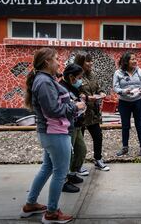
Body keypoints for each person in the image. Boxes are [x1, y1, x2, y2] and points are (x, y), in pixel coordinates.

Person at [20, 48, 85, 223]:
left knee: (47, 168)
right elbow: (54, 110)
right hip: (55, 133)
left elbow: (54, 105)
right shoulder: (44, 82)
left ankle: (30, 204)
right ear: (47, 62)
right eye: (56, 59)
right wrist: (75, 107)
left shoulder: (45, 80)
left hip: (51, 133)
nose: (59, 62)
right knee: (60, 173)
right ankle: (52, 213)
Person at [74, 52, 110, 172]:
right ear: (80, 62)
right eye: (88, 61)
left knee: (98, 136)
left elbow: (98, 88)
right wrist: (85, 97)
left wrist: (101, 93)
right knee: (79, 142)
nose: (91, 63)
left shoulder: (92, 75)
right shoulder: (76, 76)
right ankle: (77, 165)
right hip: (81, 114)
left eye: (91, 61)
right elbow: (74, 92)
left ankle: (98, 160)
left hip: (93, 113)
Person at [59, 63, 87, 193]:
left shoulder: (73, 86)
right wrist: (77, 105)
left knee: (81, 150)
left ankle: (72, 173)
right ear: (71, 77)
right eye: (79, 77)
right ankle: (63, 181)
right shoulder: (61, 87)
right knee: (67, 154)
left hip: (77, 124)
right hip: (68, 126)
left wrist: (82, 98)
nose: (80, 80)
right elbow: (64, 107)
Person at [113, 51, 141, 157]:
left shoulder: (139, 71)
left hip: (138, 101)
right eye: (132, 59)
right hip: (124, 103)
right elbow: (115, 87)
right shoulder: (118, 73)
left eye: (135, 59)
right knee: (125, 126)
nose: (135, 61)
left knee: (139, 125)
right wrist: (124, 91)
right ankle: (125, 148)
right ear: (126, 61)